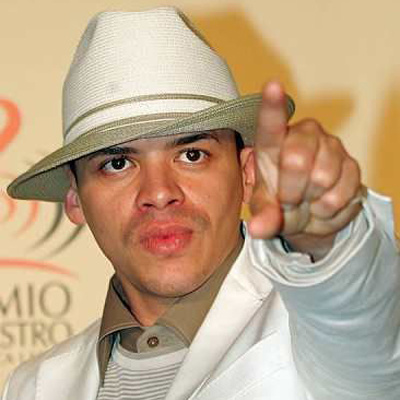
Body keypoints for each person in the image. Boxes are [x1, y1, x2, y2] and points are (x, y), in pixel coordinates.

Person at [2, 7, 400, 400]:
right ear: (75, 198)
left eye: (191, 155)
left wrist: (329, 242)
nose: (159, 193)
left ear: (247, 173)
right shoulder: (31, 387)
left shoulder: (319, 334)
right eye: (118, 163)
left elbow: (366, 327)